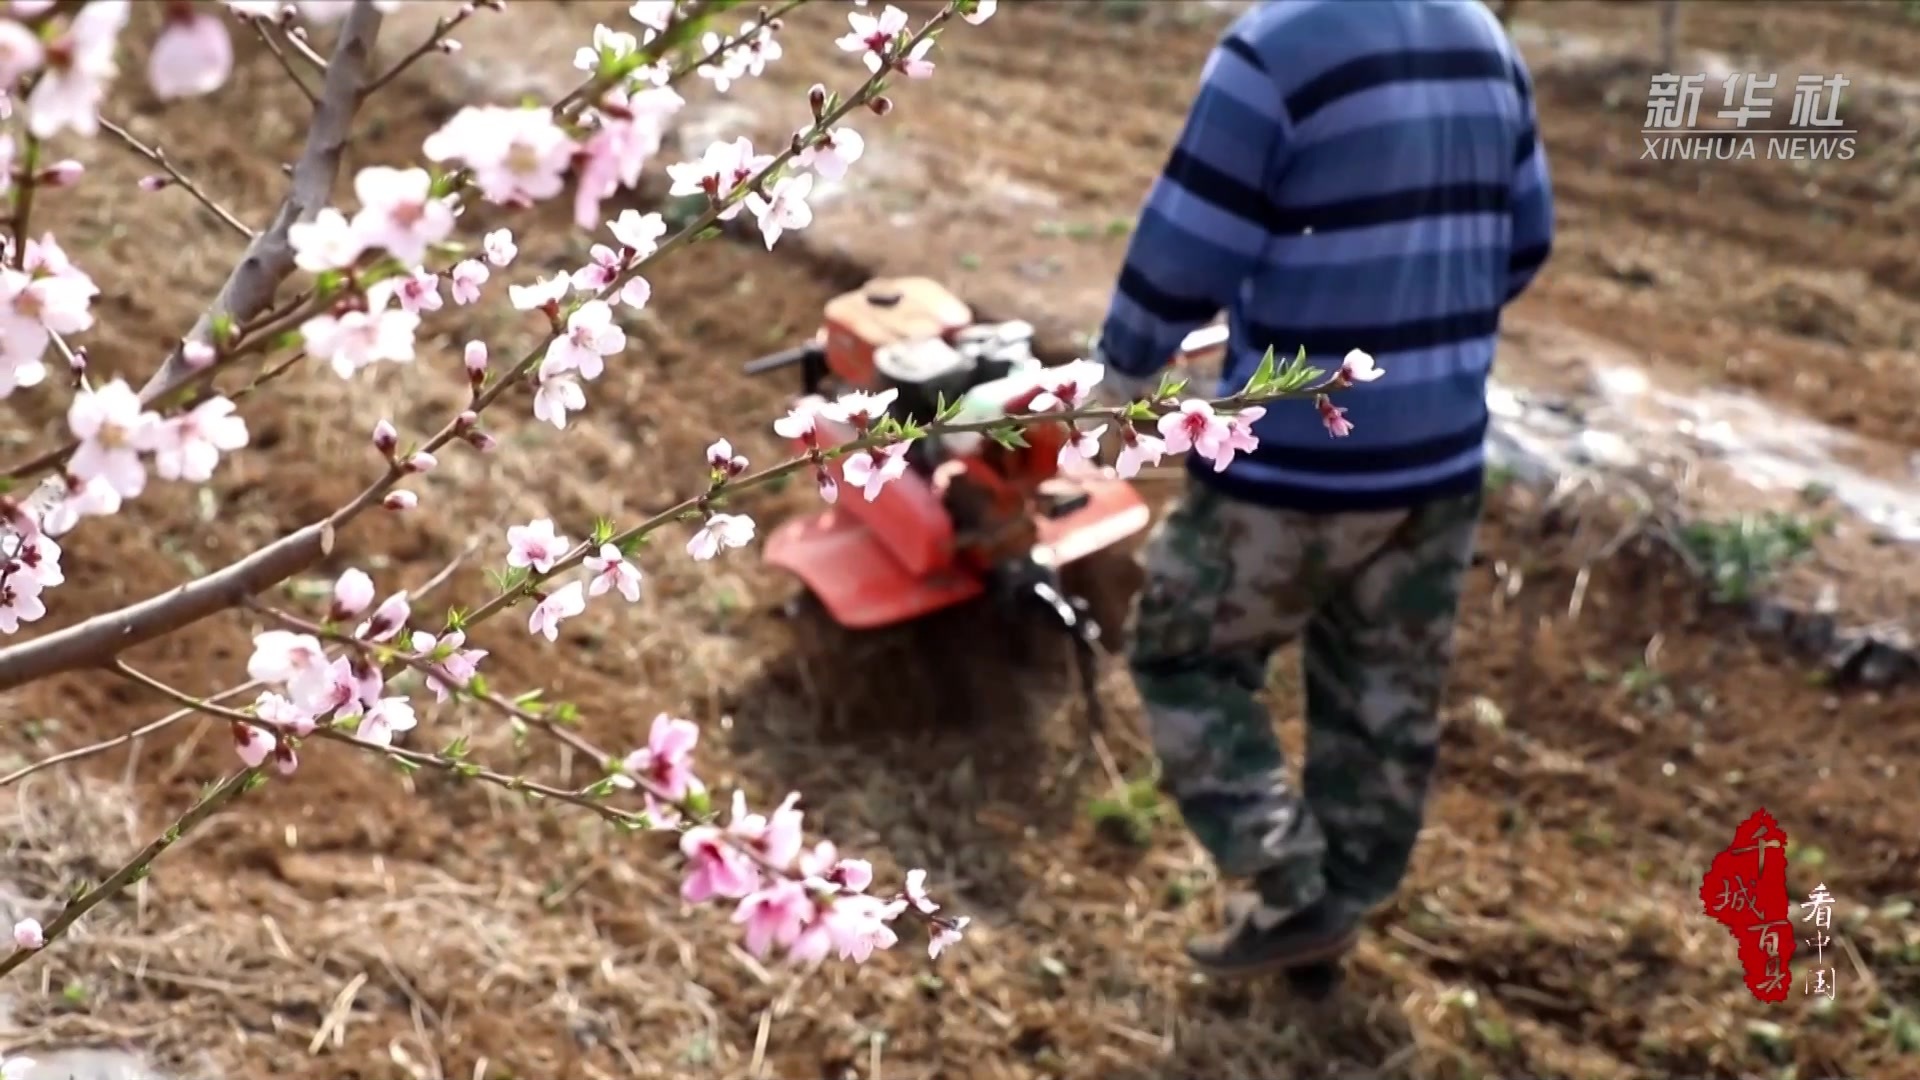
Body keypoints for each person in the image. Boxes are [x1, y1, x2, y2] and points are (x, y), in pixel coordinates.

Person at [1088, 0, 1555, 979]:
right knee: (1383, 698)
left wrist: (1127, 367)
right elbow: (1524, 242)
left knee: (1184, 656)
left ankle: (1284, 883)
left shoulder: (1277, 47)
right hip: (1440, 460)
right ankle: (1338, 909)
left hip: (1297, 465)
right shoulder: (1486, 41)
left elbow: (1188, 244)